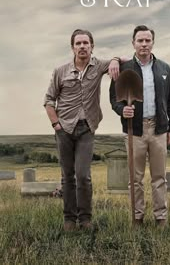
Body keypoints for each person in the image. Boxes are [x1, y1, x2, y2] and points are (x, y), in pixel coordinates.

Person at [44, 29, 121, 232]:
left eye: (86, 43)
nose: (82, 46)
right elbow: (49, 100)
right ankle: (69, 219)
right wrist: (56, 125)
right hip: (64, 130)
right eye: (78, 43)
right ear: (72, 47)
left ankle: (85, 219)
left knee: (83, 175)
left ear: (92, 46)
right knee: (67, 176)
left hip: (87, 129)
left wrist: (114, 59)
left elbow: (124, 60)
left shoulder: (99, 66)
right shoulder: (60, 71)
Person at [110, 25, 170, 226]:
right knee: (136, 179)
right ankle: (137, 218)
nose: (143, 44)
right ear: (133, 43)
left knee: (159, 177)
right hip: (135, 130)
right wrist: (121, 110)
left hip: (159, 129)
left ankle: (161, 218)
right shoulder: (125, 69)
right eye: (140, 40)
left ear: (152, 42)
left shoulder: (165, 69)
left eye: (147, 40)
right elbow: (114, 97)